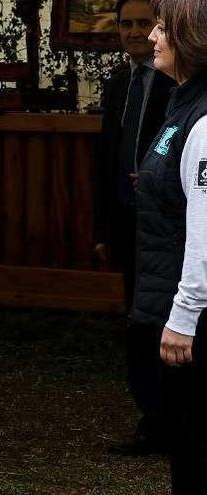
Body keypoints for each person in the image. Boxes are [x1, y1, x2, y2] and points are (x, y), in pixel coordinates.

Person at [93, 0, 176, 457]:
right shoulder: (120, 81)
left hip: (166, 222)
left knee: (165, 319)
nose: (134, 32)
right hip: (126, 220)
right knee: (136, 318)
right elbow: (106, 156)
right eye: (126, 24)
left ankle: (169, 417)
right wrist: (103, 225)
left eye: (144, 23)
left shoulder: (176, 83)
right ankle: (151, 414)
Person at [132, 0, 207, 492]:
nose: (153, 37)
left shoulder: (203, 122)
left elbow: (204, 231)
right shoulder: (181, 103)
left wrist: (183, 317)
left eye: (162, 28)